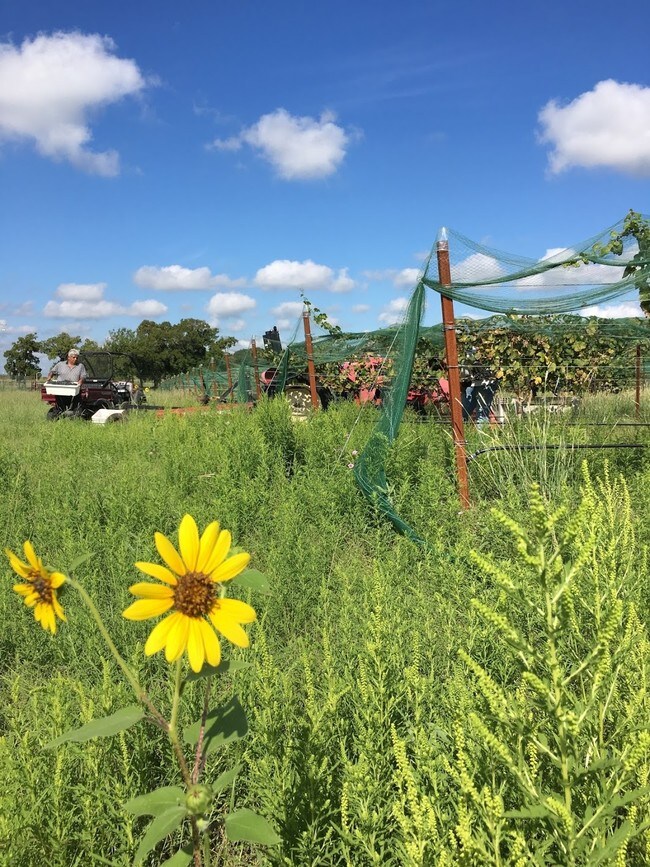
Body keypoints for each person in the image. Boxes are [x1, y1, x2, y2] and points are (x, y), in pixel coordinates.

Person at [45, 348, 87, 413]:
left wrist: (81, 381)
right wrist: (49, 377)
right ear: (68, 357)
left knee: (77, 409)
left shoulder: (80, 366)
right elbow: (52, 372)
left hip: (74, 390)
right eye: (74, 357)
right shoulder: (60, 365)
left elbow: (83, 376)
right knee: (59, 408)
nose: (75, 359)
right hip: (61, 390)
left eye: (77, 358)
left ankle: (74, 416)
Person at [460, 355, 497, 426]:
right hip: (468, 380)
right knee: (464, 412)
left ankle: (481, 432)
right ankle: (461, 431)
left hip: (487, 382)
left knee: (482, 413)